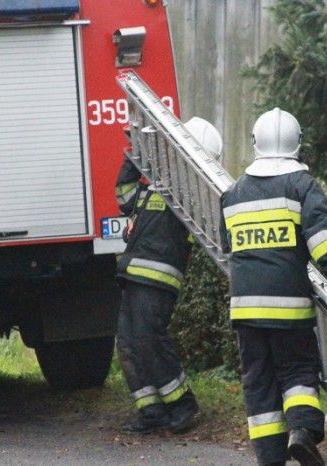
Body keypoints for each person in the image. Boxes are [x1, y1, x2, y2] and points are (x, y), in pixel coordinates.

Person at [219, 108, 327, 466]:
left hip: (245, 309)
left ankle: (270, 457)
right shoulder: (302, 186)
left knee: (258, 381)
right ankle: (302, 432)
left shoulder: (232, 194)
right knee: (297, 370)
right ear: (298, 144)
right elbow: (323, 238)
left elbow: (227, 246)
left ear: (256, 143)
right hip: (289, 306)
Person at [115, 117, 223, 434]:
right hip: (134, 274)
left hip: (157, 279)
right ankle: (152, 412)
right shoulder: (155, 187)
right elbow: (123, 195)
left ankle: (183, 405)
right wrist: (135, 152)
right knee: (129, 344)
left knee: (148, 339)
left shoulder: (191, 196)